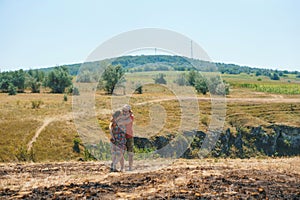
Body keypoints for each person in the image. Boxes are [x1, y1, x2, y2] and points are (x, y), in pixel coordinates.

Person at [122, 104, 134, 171]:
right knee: (122, 152)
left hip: (129, 136)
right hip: (122, 136)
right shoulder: (123, 117)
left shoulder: (131, 117)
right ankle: (122, 167)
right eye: (124, 111)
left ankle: (130, 167)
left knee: (130, 153)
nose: (124, 112)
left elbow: (124, 122)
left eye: (126, 111)